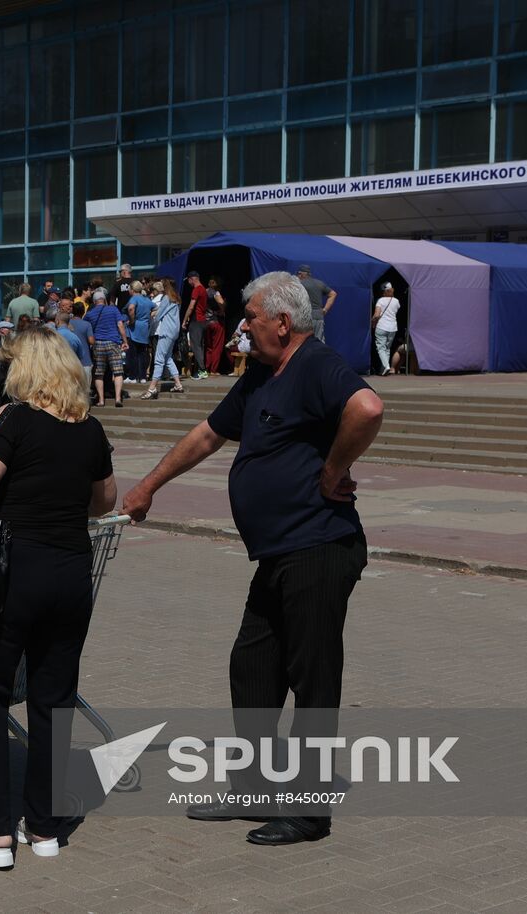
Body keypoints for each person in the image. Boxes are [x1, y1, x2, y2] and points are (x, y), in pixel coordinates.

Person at [121, 271, 383, 846]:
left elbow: (366, 407)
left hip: (319, 546)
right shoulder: (263, 375)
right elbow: (208, 435)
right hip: (278, 553)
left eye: (252, 318)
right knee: (253, 666)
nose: (243, 326)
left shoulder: (315, 364)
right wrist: (149, 486)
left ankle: (310, 812)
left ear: (283, 323)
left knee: (312, 677)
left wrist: (333, 471)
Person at [0, 328, 117, 869]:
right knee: (54, 699)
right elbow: (103, 501)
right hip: (71, 573)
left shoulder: (15, 419)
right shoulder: (90, 429)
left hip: (12, 572)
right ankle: (43, 827)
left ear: (24, 371)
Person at [141, 278, 185, 400]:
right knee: (167, 358)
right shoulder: (177, 299)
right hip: (174, 331)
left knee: (159, 359)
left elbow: (159, 315)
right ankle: (178, 384)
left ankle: (152, 388)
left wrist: (153, 315)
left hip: (166, 331)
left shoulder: (166, 299)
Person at [86, 289, 128, 409]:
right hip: (113, 343)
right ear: (104, 299)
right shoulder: (113, 309)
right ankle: (118, 398)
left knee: (99, 373)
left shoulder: (90, 314)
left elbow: (86, 328)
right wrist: (125, 341)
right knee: (118, 371)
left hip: (98, 344)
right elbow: (120, 325)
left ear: (94, 302)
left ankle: (101, 400)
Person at [297, 265, 337, 343]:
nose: (297, 276)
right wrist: (325, 309)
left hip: (305, 317)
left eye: (298, 273)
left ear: (302, 274)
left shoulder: (299, 285)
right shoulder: (319, 283)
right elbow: (333, 294)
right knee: (319, 341)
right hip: (318, 316)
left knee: (303, 342)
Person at [125, 280, 154, 383]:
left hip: (135, 328)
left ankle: (132, 376)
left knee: (132, 353)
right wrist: (151, 316)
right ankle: (142, 377)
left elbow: (131, 309)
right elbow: (156, 307)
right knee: (142, 354)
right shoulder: (146, 299)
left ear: (132, 290)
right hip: (144, 328)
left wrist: (132, 320)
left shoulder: (134, 298)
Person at [182, 271, 210, 379]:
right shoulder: (203, 289)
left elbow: (191, 306)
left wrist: (184, 321)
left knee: (195, 346)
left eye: (188, 280)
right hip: (202, 321)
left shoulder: (197, 289)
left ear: (192, 279)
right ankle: (200, 370)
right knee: (200, 346)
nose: (188, 283)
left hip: (197, 321)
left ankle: (202, 370)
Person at [372, 282, 400, 377]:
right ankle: (383, 369)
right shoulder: (396, 301)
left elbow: (377, 315)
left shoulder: (380, 301)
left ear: (383, 291)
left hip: (382, 326)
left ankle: (386, 366)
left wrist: (372, 321)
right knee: (387, 349)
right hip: (393, 328)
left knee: (380, 348)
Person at [205, 277, 229, 375]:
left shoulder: (204, 292)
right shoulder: (216, 293)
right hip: (216, 321)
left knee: (208, 347)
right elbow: (221, 302)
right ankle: (213, 370)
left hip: (206, 322)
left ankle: (206, 368)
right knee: (217, 347)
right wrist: (223, 307)